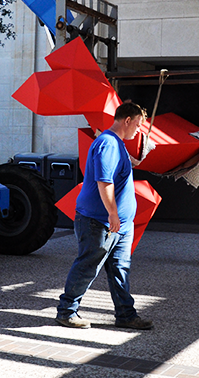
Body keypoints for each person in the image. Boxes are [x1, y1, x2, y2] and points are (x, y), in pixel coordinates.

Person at [56, 102, 153, 330]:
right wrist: (113, 214)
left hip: (117, 223)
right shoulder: (108, 143)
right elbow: (104, 181)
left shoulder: (116, 144)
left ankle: (126, 315)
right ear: (127, 120)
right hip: (99, 221)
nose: (139, 130)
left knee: (120, 269)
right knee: (89, 265)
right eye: (138, 125)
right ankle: (66, 311)